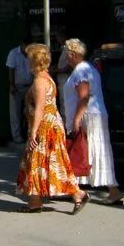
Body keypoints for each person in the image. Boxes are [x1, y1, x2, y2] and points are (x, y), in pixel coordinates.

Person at [15, 43, 89, 214]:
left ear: (34, 61)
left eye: (28, 59)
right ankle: (36, 200)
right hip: (51, 125)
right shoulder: (47, 77)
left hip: (44, 127)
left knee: (38, 160)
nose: (27, 62)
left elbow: (40, 107)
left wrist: (33, 131)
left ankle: (76, 193)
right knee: (49, 162)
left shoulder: (40, 81)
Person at [62, 38, 123, 205]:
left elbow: (83, 97)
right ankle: (75, 189)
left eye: (67, 53)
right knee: (91, 151)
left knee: (86, 150)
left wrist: (76, 119)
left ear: (73, 54)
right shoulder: (88, 68)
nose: (66, 57)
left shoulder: (81, 71)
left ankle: (108, 191)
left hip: (88, 115)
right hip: (94, 114)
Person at [5, 39, 33, 145]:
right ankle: (17, 136)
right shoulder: (13, 54)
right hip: (17, 87)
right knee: (15, 113)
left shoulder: (31, 53)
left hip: (30, 86)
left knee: (30, 112)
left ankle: (30, 135)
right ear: (21, 45)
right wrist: (12, 84)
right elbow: (11, 70)